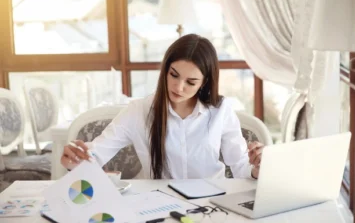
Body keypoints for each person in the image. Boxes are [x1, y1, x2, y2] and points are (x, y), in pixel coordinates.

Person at [61, 34, 264, 179]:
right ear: (165, 70)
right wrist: (74, 161)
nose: (178, 87)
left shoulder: (220, 110)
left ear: (204, 82)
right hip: (160, 207)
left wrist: (258, 168)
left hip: (211, 205)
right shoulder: (138, 111)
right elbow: (95, 155)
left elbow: (241, 169)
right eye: (173, 75)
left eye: (191, 82)